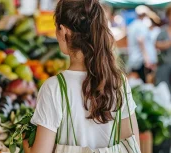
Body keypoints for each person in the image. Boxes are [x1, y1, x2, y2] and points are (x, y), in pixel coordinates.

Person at [23, 0, 140, 153]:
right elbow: (132, 142)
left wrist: (26, 143)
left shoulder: (54, 88)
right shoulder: (118, 82)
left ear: (64, 31)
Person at [127, 5, 154, 83]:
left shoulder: (132, 25)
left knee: (136, 83)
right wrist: (147, 60)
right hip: (141, 60)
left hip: (134, 59)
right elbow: (141, 41)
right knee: (143, 84)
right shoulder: (141, 26)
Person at [155, 5, 171, 91]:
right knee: (164, 89)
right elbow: (157, 44)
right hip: (164, 65)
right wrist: (167, 43)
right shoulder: (163, 31)